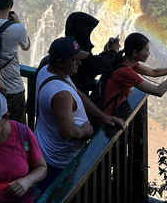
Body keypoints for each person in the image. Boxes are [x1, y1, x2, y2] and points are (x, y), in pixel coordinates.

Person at [34, 37, 125, 192]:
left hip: (45, 150)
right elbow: (68, 132)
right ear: (61, 62)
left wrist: (103, 116)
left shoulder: (49, 71)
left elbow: (77, 93)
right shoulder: (60, 93)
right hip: (60, 165)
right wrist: (87, 130)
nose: (79, 63)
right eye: (74, 60)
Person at [98, 32, 167, 117]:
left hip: (108, 112)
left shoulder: (126, 61)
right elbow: (158, 91)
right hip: (105, 118)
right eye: (147, 50)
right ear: (135, 53)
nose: (149, 53)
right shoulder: (125, 72)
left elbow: (154, 72)